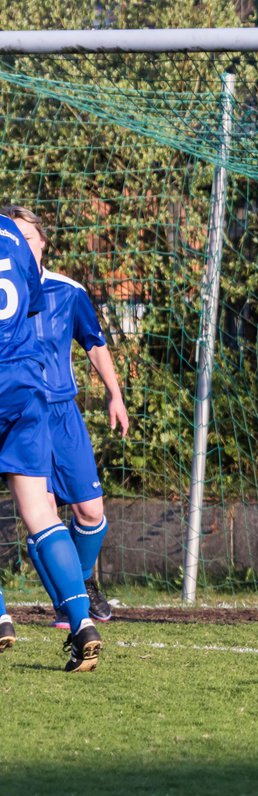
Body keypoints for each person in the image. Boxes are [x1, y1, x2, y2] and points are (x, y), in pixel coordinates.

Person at [2, 205, 129, 629]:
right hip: (27, 404)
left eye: (29, 235)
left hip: (60, 413)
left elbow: (93, 342)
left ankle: (82, 584)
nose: (22, 241)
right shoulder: (16, 280)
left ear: (42, 241)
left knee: (91, 511)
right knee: (43, 512)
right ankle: (69, 604)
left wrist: (115, 393)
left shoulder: (67, 290)